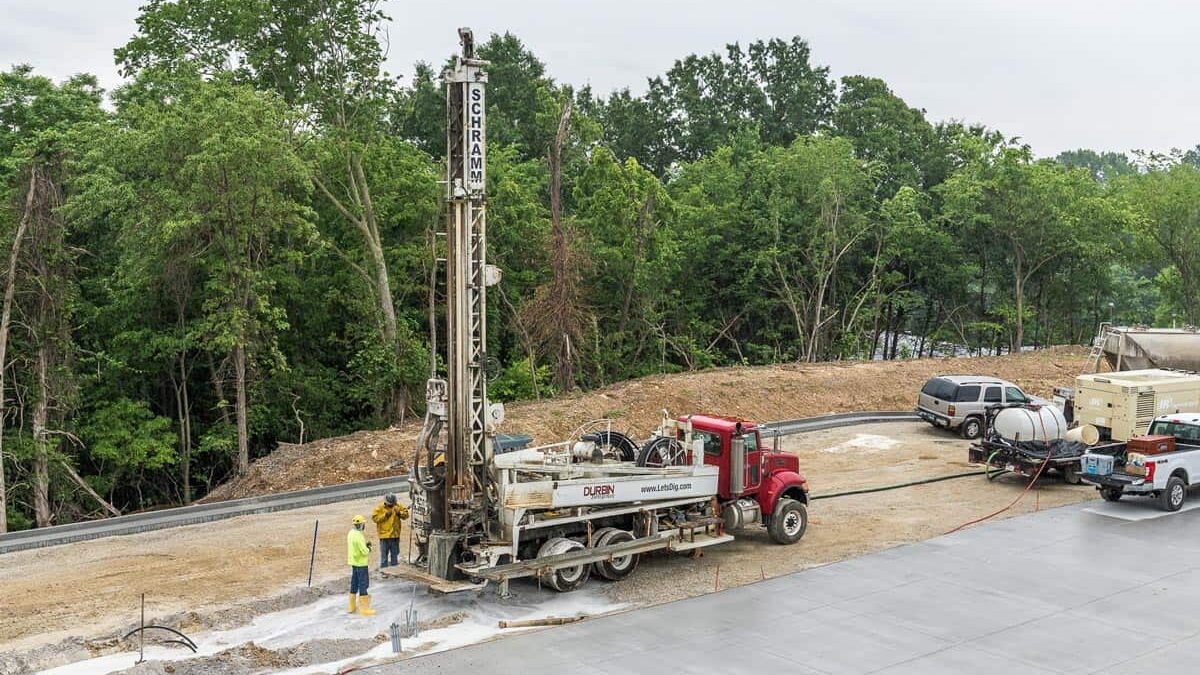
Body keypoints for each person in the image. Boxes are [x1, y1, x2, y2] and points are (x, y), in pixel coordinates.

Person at [347, 514, 375, 616]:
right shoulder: (359, 536)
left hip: (354, 562)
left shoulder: (351, 533)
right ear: (360, 525)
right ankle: (364, 609)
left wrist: (364, 545)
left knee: (354, 583)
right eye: (363, 524)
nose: (364, 525)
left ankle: (352, 606)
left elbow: (355, 547)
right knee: (363, 584)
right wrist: (368, 548)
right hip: (361, 563)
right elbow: (364, 551)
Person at [371, 493, 409, 568]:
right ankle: (384, 570)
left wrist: (399, 513)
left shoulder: (397, 506)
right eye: (390, 505)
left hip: (395, 536)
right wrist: (385, 515)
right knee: (384, 556)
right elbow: (375, 519)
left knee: (395, 555)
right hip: (384, 536)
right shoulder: (380, 508)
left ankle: (394, 569)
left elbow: (406, 515)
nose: (391, 506)